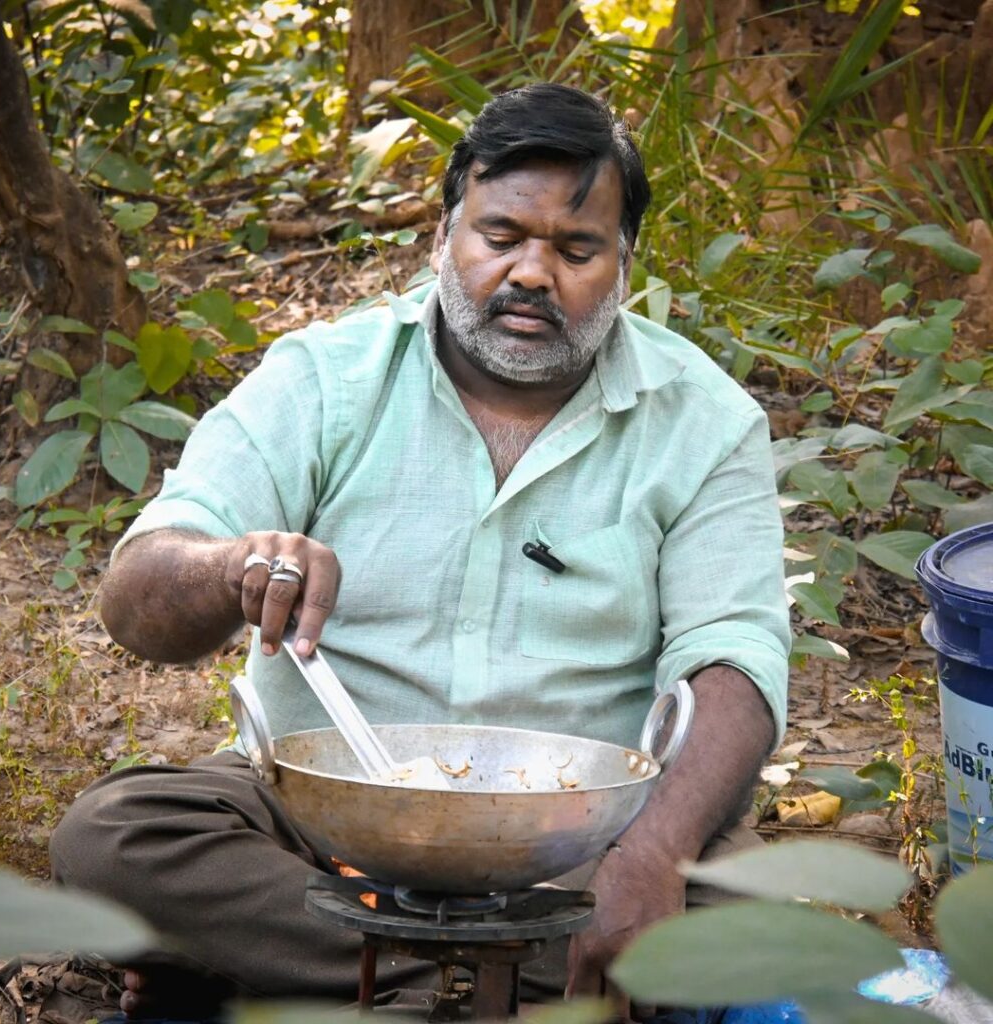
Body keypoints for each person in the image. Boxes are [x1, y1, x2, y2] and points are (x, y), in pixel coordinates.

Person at [49, 83, 790, 1021]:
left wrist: (649, 858)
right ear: (443, 237)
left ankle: (316, 970)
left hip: (583, 837)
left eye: (575, 249)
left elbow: (735, 660)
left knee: (745, 907)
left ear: (623, 265)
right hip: (324, 818)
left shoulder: (707, 422)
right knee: (116, 835)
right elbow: (136, 596)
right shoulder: (323, 379)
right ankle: (467, 987)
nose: (532, 273)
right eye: (501, 235)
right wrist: (231, 566)